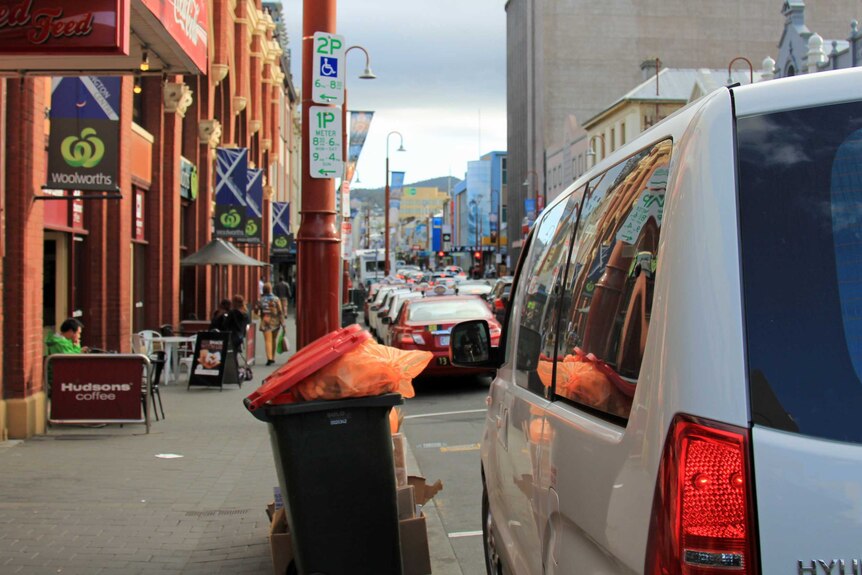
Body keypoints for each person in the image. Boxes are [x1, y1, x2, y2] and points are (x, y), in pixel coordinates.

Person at [45, 318, 89, 396]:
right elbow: (70, 358)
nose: (79, 336)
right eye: (78, 333)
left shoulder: (65, 341)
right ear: (71, 331)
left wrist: (78, 349)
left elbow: (72, 353)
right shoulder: (59, 343)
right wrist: (77, 346)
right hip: (59, 379)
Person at [257, 282, 284, 366]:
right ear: (271, 289)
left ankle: (269, 358)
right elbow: (280, 311)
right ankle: (273, 357)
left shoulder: (260, 300)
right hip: (275, 322)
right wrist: (283, 323)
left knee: (267, 341)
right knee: (273, 339)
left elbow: (256, 310)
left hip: (265, 321)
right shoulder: (276, 299)